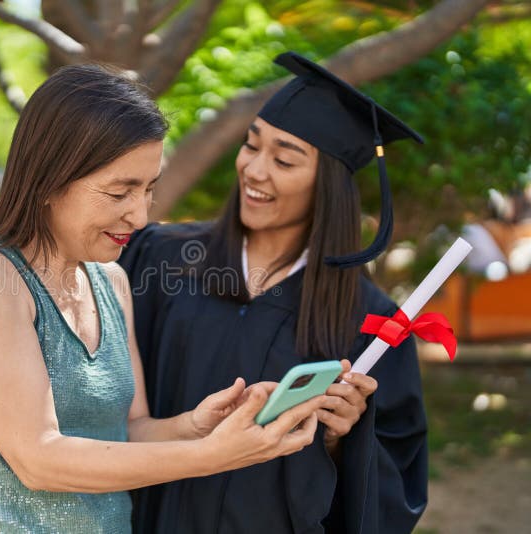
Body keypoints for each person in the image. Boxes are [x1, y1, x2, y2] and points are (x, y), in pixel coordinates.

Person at [0, 53, 428, 533]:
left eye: (149, 189)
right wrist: (213, 455)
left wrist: (197, 426)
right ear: (52, 177)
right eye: (121, 192)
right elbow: (38, 457)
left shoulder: (109, 279)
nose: (140, 216)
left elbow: (126, 429)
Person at [117, 52, 428, 534]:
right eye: (251, 145)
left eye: (284, 159)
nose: (255, 170)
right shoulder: (162, 258)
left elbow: (394, 488)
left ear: (327, 186)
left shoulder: (370, 323)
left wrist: (342, 442)